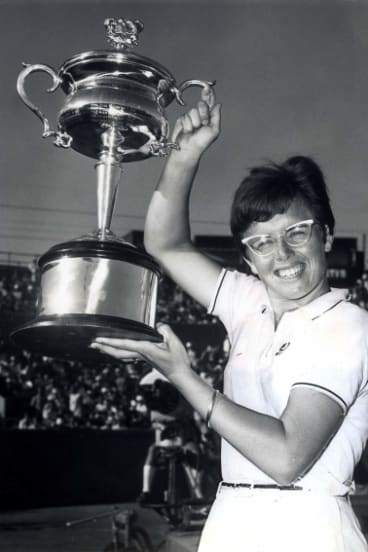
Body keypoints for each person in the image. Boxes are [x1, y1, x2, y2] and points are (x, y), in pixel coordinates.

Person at [90, 100, 368, 551]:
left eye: (297, 232)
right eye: (262, 242)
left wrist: (182, 376)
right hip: (229, 521)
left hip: (309, 528)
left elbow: (285, 457)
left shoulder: (350, 325)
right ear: (247, 257)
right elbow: (166, 244)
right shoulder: (247, 300)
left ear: (326, 237)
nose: (283, 255)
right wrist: (184, 155)